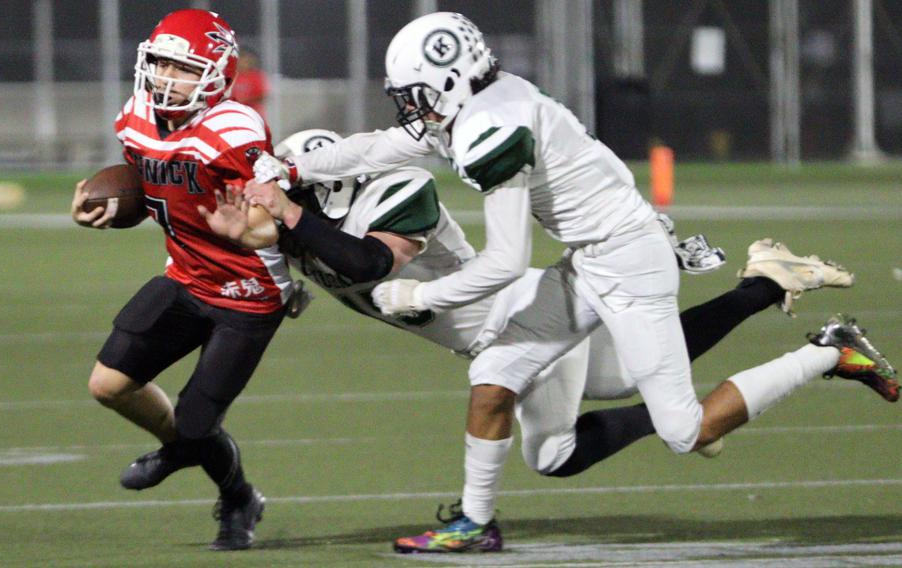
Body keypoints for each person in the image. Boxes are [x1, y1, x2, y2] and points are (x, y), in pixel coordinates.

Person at [249, 11, 896, 552]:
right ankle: (475, 524)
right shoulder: (484, 103)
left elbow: (503, 263)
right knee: (494, 374)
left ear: (446, 83)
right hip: (593, 256)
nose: (411, 109)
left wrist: (421, 295)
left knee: (685, 430)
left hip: (628, 259)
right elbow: (379, 147)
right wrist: (288, 161)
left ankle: (827, 352)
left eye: (415, 93)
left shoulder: (487, 130)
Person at [69, 9, 290, 551]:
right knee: (108, 385)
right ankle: (190, 451)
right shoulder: (136, 117)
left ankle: (235, 495)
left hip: (248, 291)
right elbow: (152, 192)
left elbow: (272, 220)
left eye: (184, 68)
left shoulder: (234, 130)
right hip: (187, 275)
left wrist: (250, 226)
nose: (167, 78)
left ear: (215, 76)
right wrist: (108, 208)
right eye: (162, 64)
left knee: (194, 424)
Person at [231, 50, 269, 120]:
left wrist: (243, 101)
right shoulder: (232, 76)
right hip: (235, 114)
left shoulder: (256, 76)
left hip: (253, 114)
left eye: (245, 61)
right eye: (241, 61)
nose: (242, 64)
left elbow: (262, 95)